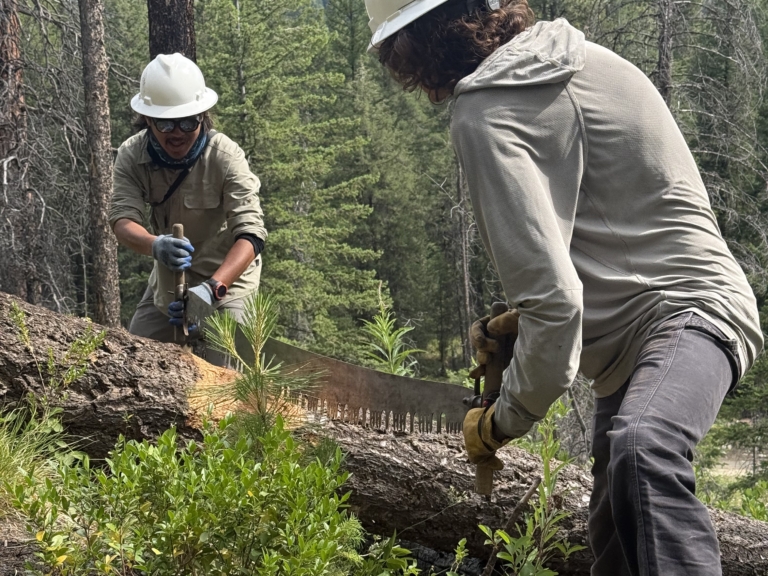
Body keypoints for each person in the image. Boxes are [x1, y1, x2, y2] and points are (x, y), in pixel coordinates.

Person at [365, 1, 763, 574]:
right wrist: (521, 323)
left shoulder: (485, 108)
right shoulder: (576, 57)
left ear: (414, 45)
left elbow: (556, 305)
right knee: (615, 544)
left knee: (644, 449)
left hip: (687, 317)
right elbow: (614, 232)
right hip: (655, 331)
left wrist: (500, 421)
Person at [109, 53, 267, 367]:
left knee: (230, 374)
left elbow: (251, 235)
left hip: (227, 284)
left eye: (188, 121)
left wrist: (213, 289)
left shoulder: (225, 156)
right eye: (166, 123)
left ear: (202, 116)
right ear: (148, 119)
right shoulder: (132, 155)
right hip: (170, 282)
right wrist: (155, 245)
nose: (177, 132)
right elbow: (122, 220)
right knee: (135, 364)